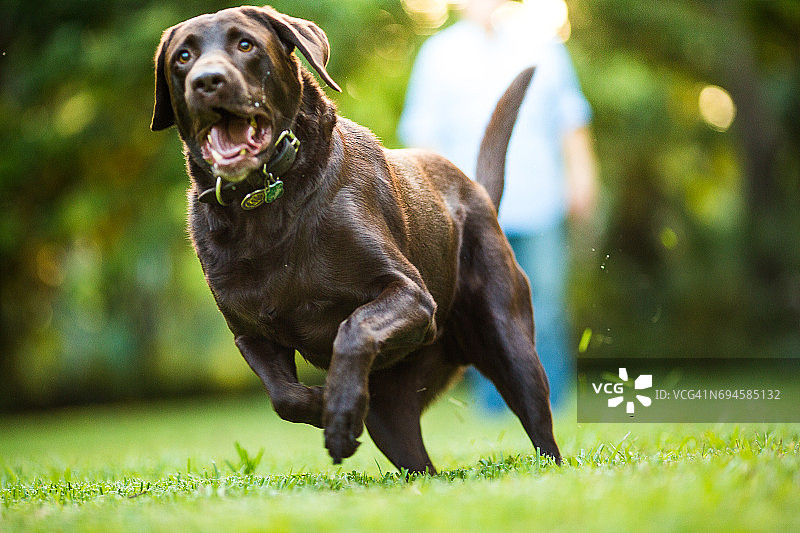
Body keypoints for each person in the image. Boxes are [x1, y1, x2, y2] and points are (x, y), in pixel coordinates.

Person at [398, 0, 598, 411]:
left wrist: (582, 176)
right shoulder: (437, 55)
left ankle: (550, 401)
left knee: (546, 302)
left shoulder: (544, 46)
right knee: (479, 306)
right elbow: (422, 137)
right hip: (465, 215)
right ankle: (494, 409)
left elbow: (571, 121)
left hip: (539, 199)